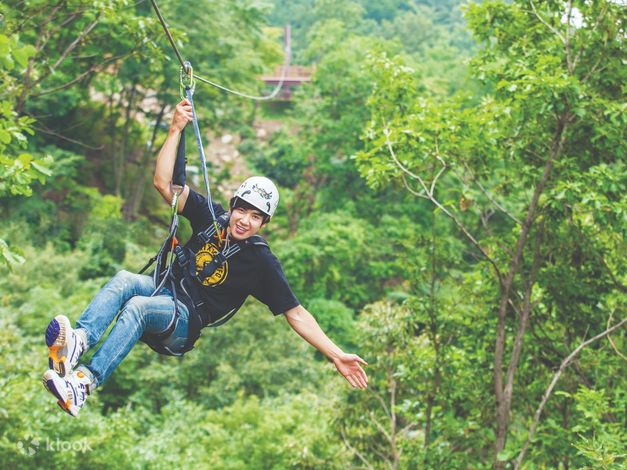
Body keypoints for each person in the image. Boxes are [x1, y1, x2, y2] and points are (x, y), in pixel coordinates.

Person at [42, 99, 369, 417]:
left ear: (263, 224)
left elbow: (296, 314)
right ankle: (77, 343)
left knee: (137, 308)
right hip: (164, 289)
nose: (244, 220)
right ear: (232, 205)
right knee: (125, 280)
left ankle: (83, 384)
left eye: (255, 217)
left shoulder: (260, 261)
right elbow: (163, 184)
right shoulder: (210, 217)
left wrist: (336, 354)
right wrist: (175, 129)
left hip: (183, 323)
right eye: (241, 209)